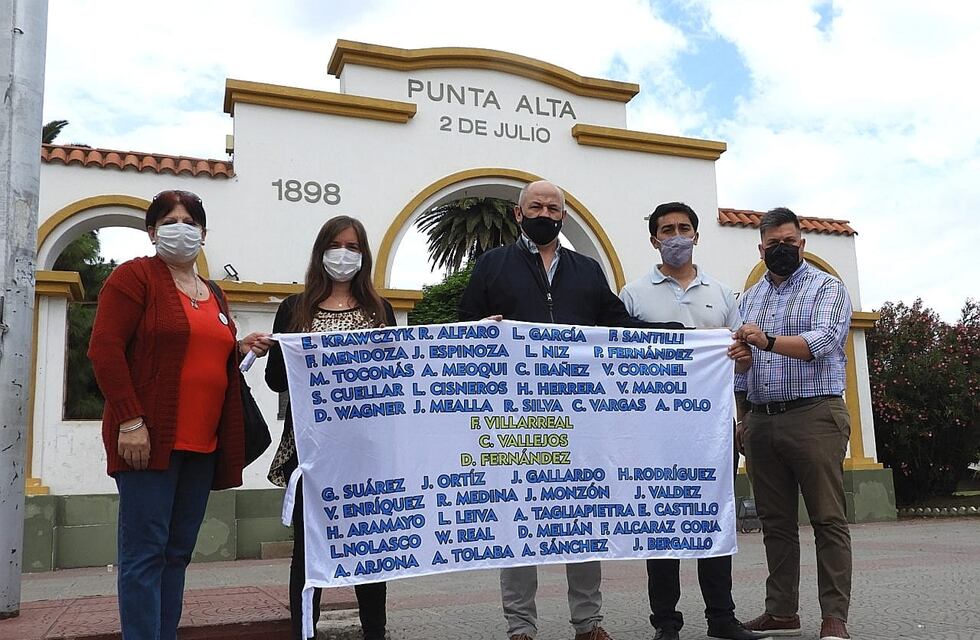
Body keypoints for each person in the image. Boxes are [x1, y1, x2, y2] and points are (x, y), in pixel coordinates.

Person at [458, 180, 645, 640]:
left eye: (554, 206)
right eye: (536, 205)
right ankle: (520, 626)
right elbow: (462, 329)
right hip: (517, 417)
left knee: (582, 519)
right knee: (517, 519)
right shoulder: (492, 265)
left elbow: (619, 326)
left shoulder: (587, 269)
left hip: (581, 416)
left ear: (563, 216)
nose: (546, 212)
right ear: (519, 214)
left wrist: (679, 336)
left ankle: (588, 623)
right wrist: (479, 331)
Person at [88, 189, 273, 640]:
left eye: (189, 220)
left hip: (203, 445)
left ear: (203, 233)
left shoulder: (213, 293)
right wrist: (131, 421)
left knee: (176, 554)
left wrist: (238, 347)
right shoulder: (135, 278)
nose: (181, 228)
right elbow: (105, 350)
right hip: (148, 442)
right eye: (169, 220)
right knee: (144, 555)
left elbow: (196, 353)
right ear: (152, 232)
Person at [619, 202, 758, 640]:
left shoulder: (722, 294)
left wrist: (740, 359)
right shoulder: (634, 294)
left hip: (711, 431)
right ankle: (666, 622)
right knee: (661, 526)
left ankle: (721, 617)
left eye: (683, 228)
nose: (675, 236)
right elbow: (621, 358)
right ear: (654, 239)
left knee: (713, 518)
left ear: (696, 235)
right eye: (666, 230)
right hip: (655, 432)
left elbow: (743, 361)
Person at [265, 215, 392, 640]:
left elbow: (393, 376)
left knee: (371, 549)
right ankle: (305, 631)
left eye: (353, 247)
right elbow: (276, 381)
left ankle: (376, 631)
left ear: (364, 256)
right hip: (309, 451)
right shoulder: (293, 309)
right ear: (321, 250)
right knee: (308, 551)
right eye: (337, 245)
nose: (344, 254)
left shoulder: (379, 310)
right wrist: (289, 353)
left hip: (364, 452)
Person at [733, 207, 853, 640]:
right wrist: (742, 413)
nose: (781, 250)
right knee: (775, 522)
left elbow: (821, 343)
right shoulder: (747, 299)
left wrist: (763, 341)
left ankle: (834, 617)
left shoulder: (828, 288)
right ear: (760, 248)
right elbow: (739, 367)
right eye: (772, 245)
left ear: (802, 243)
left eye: (789, 242)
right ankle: (781, 610)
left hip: (814, 413)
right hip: (761, 419)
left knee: (827, 518)